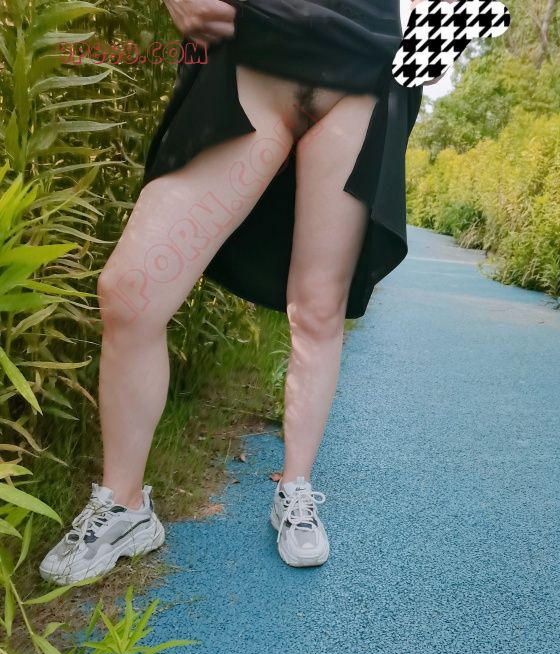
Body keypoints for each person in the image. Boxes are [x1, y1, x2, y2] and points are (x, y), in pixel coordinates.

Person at [40, 0, 423, 584]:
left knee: (318, 310)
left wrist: (420, 62)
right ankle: (125, 507)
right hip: (250, 42)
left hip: (364, 69)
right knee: (131, 290)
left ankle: (295, 488)